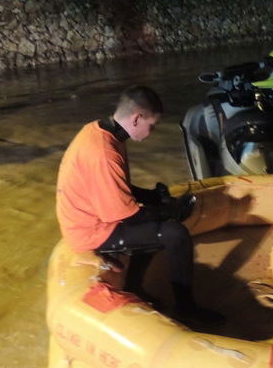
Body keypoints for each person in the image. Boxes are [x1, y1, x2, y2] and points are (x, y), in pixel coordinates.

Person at [55, 86, 224, 329]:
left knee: (155, 218)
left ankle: (135, 287)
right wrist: (172, 212)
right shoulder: (104, 152)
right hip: (89, 231)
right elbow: (126, 215)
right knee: (175, 233)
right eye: (151, 125)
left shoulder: (101, 132)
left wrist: (153, 196)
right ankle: (186, 308)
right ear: (137, 118)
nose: (151, 132)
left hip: (86, 217)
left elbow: (115, 186)